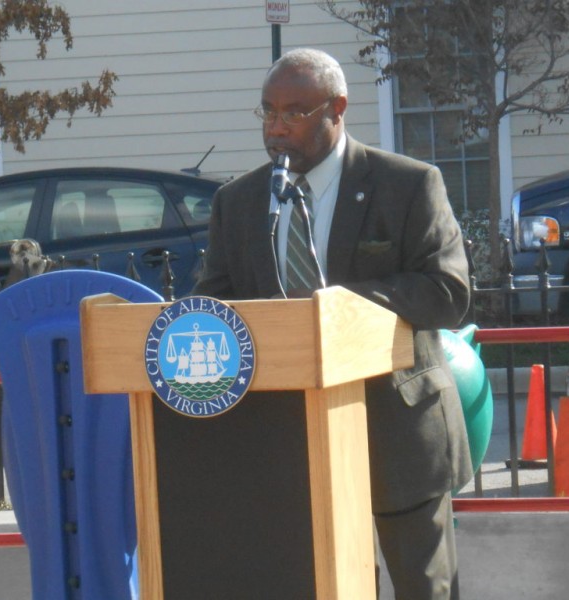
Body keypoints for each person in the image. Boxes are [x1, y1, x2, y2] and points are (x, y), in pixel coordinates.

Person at [193, 47, 473, 599]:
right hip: (289, 439)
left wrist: (338, 306)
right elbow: (215, 309)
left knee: (425, 589)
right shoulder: (239, 202)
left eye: (294, 113)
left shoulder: (407, 184)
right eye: (268, 112)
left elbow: (448, 292)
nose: (277, 128)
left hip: (399, 431)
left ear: (337, 109)